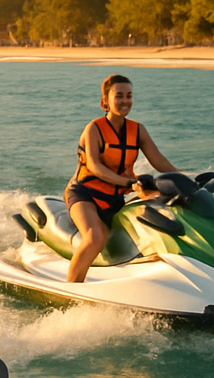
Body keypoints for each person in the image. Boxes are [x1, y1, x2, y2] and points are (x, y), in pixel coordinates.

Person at [64, 74, 178, 283]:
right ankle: (71, 289)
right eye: (119, 96)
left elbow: (160, 162)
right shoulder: (94, 129)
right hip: (84, 194)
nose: (125, 101)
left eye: (129, 96)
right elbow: (95, 167)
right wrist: (129, 183)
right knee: (95, 237)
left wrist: (187, 180)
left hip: (115, 199)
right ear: (105, 100)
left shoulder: (138, 130)